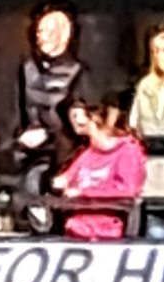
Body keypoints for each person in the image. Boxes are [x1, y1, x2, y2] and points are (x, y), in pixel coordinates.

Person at [15, 4, 91, 233]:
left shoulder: (78, 72)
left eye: (48, 30)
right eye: (39, 31)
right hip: (29, 151)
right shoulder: (27, 69)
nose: (41, 37)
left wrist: (51, 134)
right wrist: (21, 137)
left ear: (65, 35)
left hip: (64, 152)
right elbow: (15, 111)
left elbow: (82, 122)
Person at [54, 100, 146, 241]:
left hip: (111, 230)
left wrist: (84, 193)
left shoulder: (128, 151)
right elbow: (67, 178)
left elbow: (128, 191)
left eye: (79, 114)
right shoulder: (89, 152)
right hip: (77, 228)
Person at [130, 26, 164, 239]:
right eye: (157, 51)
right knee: (155, 233)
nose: (161, 56)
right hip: (153, 175)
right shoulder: (146, 86)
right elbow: (135, 126)